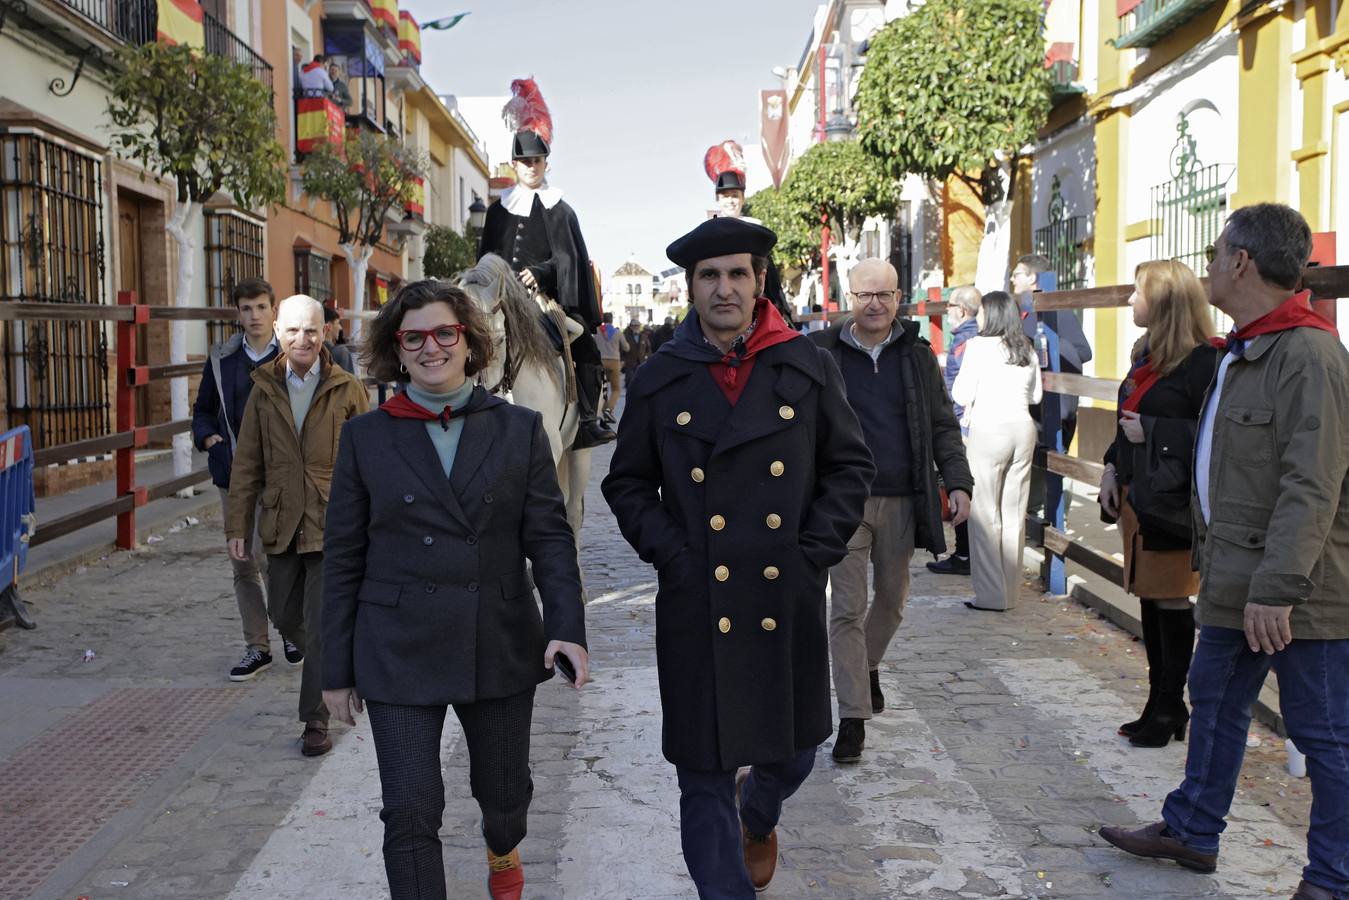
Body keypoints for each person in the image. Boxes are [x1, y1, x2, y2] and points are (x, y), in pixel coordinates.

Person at [603, 217, 873, 898]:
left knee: (794, 753)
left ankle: (759, 810)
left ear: (758, 282)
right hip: (698, 600)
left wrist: (812, 551)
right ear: (691, 288)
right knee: (700, 775)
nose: (723, 288)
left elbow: (848, 468)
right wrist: (672, 553)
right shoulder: (661, 377)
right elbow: (627, 482)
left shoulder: (807, 365)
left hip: (784, 594)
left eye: (736, 274)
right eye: (708, 276)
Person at [1100, 204, 1348, 900]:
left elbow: (1312, 483)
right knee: (1211, 699)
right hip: (1238, 577)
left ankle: (1332, 877)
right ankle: (1191, 828)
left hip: (1295, 589)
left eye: (1214, 254)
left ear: (1240, 262)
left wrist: (1277, 587)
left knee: (1323, 735)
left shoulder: (1307, 354)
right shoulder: (1246, 348)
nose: (1207, 265)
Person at [322, 280, 588, 900]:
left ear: (469, 341)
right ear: (396, 348)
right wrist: (334, 669)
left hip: (494, 638)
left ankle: (503, 847)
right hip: (397, 646)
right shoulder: (366, 436)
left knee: (504, 795)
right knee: (409, 811)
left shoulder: (520, 429)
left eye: (445, 332)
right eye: (413, 336)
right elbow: (342, 559)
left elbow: (549, 540)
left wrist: (567, 629)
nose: (431, 347)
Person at [809, 260, 972, 763]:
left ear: (899, 297)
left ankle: (868, 664)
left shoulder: (918, 356)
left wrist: (958, 482)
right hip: (844, 500)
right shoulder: (821, 353)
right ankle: (853, 717)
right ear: (848, 299)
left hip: (904, 496)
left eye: (883, 294)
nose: (874, 304)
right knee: (846, 609)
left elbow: (943, 424)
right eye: (864, 295)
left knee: (894, 601)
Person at [226, 294, 369, 757]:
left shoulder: (348, 388)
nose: (302, 339)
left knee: (321, 623)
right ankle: (340, 662)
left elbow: (372, 463)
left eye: (311, 330)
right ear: (278, 333)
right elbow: (246, 463)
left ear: (325, 331)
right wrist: (237, 524)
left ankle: (315, 721)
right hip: (282, 521)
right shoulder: (263, 387)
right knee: (284, 616)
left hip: (333, 523)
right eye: (292, 331)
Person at [1098, 261, 1217, 748]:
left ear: (1164, 303)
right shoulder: (1145, 355)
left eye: (1138, 293)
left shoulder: (1203, 363)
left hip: (1171, 505)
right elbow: (1124, 415)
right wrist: (1110, 466)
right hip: (1139, 497)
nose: (1130, 301)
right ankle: (1159, 701)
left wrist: (1156, 433)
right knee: (1150, 596)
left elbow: (1216, 436)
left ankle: (1171, 705)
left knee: (1170, 599)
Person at [477, 78, 613, 448]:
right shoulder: (497, 211)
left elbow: (571, 258)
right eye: (524, 162)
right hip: (503, 299)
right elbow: (485, 259)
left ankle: (589, 416)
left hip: (545, 299)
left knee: (580, 338)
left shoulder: (561, 208)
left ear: (545, 163)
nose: (531, 167)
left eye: (536, 161)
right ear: (515, 164)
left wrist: (541, 273)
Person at [191, 277, 300, 681]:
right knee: (242, 561)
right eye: (245, 308)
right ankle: (257, 647)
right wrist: (210, 439)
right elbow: (202, 412)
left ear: (274, 310)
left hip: (279, 478)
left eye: (260, 307)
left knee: (273, 557)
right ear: (237, 313)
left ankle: (291, 631)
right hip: (233, 476)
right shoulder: (223, 360)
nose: (253, 315)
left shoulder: (293, 357)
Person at [952, 291, 1043, 612]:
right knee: (1014, 513)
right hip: (1023, 428)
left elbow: (960, 394)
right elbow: (1036, 396)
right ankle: (1010, 592)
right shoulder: (1026, 348)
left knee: (985, 514)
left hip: (989, 431)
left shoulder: (978, 347)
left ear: (990, 316)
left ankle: (991, 595)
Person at [1011, 254, 1092, 518]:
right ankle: (1035, 523)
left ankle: (1056, 522)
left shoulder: (1056, 310)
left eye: (1018, 273)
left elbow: (1082, 351)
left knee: (1057, 467)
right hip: (1031, 408)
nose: (1013, 279)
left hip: (1056, 407)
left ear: (1033, 278)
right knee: (1033, 467)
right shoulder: (1023, 310)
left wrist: (1041, 346)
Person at [927, 285, 982, 577]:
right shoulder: (966, 339)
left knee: (960, 484)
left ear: (960, 310)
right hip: (964, 423)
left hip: (963, 426)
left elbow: (959, 390)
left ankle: (964, 553)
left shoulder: (966, 343)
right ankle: (964, 552)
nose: (946, 313)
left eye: (948, 307)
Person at [703, 140, 791, 323]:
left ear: (742, 198)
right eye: (726, 196)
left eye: (735, 195)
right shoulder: (707, 235)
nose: (731, 201)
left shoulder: (757, 231)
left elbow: (771, 281)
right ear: (718, 199)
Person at [592, 311, 628, 423]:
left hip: (600, 361)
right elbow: (626, 348)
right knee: (616, 389)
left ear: (603, 319)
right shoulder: (617, 332)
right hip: (614, 362)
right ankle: (609, 408)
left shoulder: (597, 331)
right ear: (612, 320)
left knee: (603, 388)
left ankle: (603, 408)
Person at [323, 306, 356, 375]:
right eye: (338, 323)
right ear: (329, 326)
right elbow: (349, 384)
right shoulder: (341, 352)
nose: (340, 327)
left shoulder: (313, 352)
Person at [621, 316, 650, 389]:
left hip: (642, 362)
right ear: (631, 327)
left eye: (638, 326)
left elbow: (648, 348)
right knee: (629, 381)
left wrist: (647, 356)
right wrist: (623, 359)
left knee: (641, 381)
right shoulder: (626, 336)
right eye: (634, 326)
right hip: (629, 362)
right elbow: (621, 349)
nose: (636, 327)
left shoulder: (644, 336)